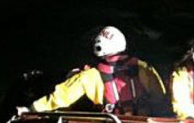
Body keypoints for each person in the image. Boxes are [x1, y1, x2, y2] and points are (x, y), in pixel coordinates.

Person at [17, 26, 167, 116]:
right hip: (142, 119)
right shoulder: (142, 67)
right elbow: (159, 95)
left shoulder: (90, 75)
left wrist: (31, 109)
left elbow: (62, 96)